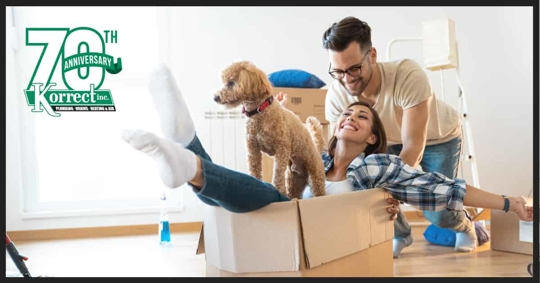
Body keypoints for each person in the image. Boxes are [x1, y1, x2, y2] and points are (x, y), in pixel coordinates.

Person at [120, 64, 533, 247]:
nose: (351, 117)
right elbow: (282, 136)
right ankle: (186, 147)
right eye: (347, 113)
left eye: (363, 117)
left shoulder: (376, 166)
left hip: (304, 230)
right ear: (335, 126)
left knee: (269, 200)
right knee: (248, 196)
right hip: (277, 221)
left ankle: (189, 156)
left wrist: (509, 203)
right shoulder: (314, 154)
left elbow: (443, 187)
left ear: (373, 138)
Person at [322, 16, 473, 256]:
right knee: (369, 190)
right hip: (386, 141)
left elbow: (413, 144)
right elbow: (341, 152)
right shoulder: (336, 96)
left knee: (436, 210)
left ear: (372, 55)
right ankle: (402, 234)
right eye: (338, 71)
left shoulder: (407, 75)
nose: (347, 79)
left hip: (437, 137)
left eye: (354, 69)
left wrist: (395, 191)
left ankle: (466, 225)